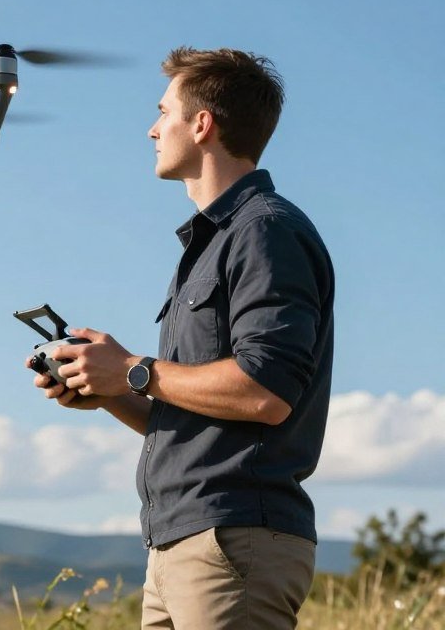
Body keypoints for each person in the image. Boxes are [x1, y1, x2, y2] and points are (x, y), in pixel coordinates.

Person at [31, 47, 334, 629]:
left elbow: (266, 393)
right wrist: (106, 389)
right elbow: (194, 414)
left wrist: (134, 369)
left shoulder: (264, 231)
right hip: (180, 543)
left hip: (232, 541)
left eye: (163, 111)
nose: (151, 127)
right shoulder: (209, 248)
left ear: (202, 125)